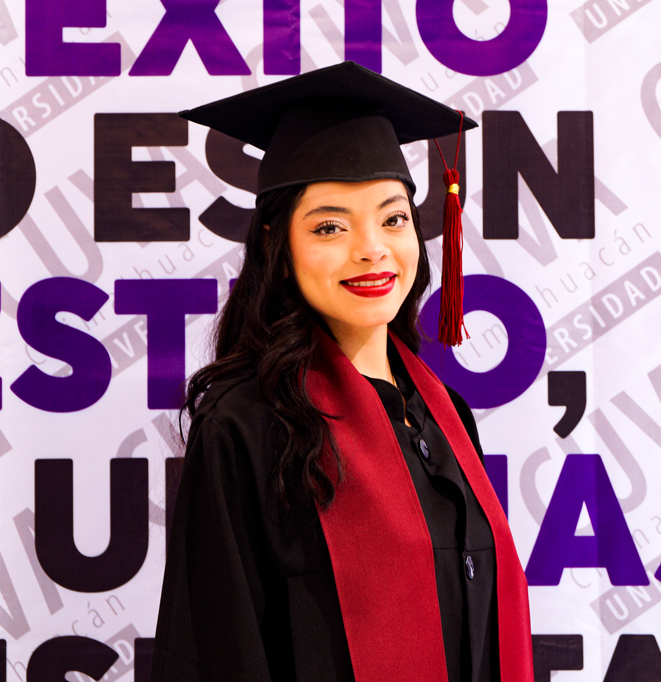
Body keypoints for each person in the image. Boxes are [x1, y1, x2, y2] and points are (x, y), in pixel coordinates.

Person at [150, 62, 533, 682]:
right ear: (277, 247)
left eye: (393, 218)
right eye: (330, 226)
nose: (372, 249)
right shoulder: (246, 425)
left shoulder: (445, 415)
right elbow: (213, 654)